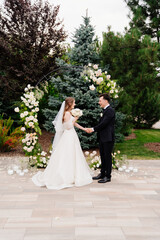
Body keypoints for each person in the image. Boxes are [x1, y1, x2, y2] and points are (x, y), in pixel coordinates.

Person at [32, 97, 93, 190]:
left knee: (72, 154)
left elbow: (73, 124)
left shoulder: (69, 113)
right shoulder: (67, 113)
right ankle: (66, 176)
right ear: (69, 104)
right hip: (68, 135)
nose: (75, 104)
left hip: (71, 135)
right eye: (74, 103)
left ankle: (72, 174)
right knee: (68, 154)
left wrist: (84, 128)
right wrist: (76, 118)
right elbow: (68, 126)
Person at [86, 93, 115, 183]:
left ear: (106, 101)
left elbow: (104, 124)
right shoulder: (105, 110)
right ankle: (102, 173)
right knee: (102, 155)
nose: (99, 102)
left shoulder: (110, 110)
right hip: (103, 137)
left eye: (100, 100)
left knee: (107, 156)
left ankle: (108, 176)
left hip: (108, 137)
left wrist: (93, 129)